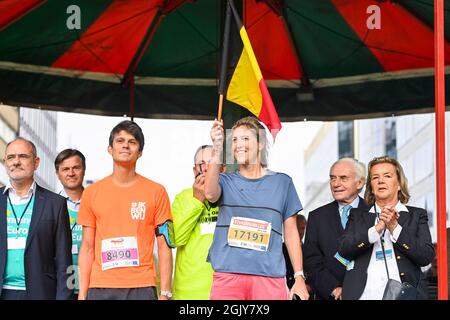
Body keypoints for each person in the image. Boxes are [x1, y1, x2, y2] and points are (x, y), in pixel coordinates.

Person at [205, 116, 309, 300]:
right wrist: (217, 149)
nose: (239, 144)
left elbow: (291, 233)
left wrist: (299, 276)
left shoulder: (283, 183)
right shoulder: (225, 180)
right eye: (234, 139)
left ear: (260, 143)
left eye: (246, 138)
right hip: (228, 276)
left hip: (269, 278)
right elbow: (210, 194)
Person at [77, 120, 173, 300]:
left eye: (132, 142)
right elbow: (88, 248)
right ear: (110, 149)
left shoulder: (157, 192)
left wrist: (165, 293)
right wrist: (82, 294)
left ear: (140, 152)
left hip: (141, 286)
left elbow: (165, 245)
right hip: (101, 286)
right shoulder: (91, 193)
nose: (125, 146)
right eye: (120, 141)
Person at [338, 156, 434, 300]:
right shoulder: (357, 215)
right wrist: (375, 230)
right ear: (371, 186)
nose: (381, 181)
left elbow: (426, 256)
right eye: (375, 177)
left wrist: (395, 228)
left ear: (399, 184)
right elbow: (344, 250)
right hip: (364, 295)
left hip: (404, 296)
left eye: (387, 176)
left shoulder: (417, 215)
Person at [0, 138, 73, 300]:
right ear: (5, 163)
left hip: (40, 292)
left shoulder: (55, 204)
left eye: (23, 156)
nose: (16, 162)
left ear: (36, 162)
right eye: (11, 157)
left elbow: (64, 262)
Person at [303, 158, 368, 300]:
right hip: (330, 295)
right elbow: (311, 262)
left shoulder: (375, 213)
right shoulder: (316, 217)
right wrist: (334, 289)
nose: (336, 184)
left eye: (343, 178)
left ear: (360, 183)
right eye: (333, 178)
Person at [171, 145, 225, 300]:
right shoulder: (182, 198)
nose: (207, 168)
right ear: (195, 171)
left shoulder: (232, 198)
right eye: (202, 164)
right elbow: (176, 239)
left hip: (227, 289)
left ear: (222, 168)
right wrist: (197, 200)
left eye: (212, 163)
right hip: (188, 293)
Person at [55, 148, 86, 299]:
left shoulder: (96, 204)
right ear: (58, 174)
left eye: (76, 168)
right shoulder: (49, 206)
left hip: (90, 286)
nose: (71, 173)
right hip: (59, 287)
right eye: (65, 169)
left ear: (84, 171)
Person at [283, 214, 307, 289]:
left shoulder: (309, 250)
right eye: (297, 228)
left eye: (302, 228)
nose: (300, 232)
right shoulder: (281, 249)